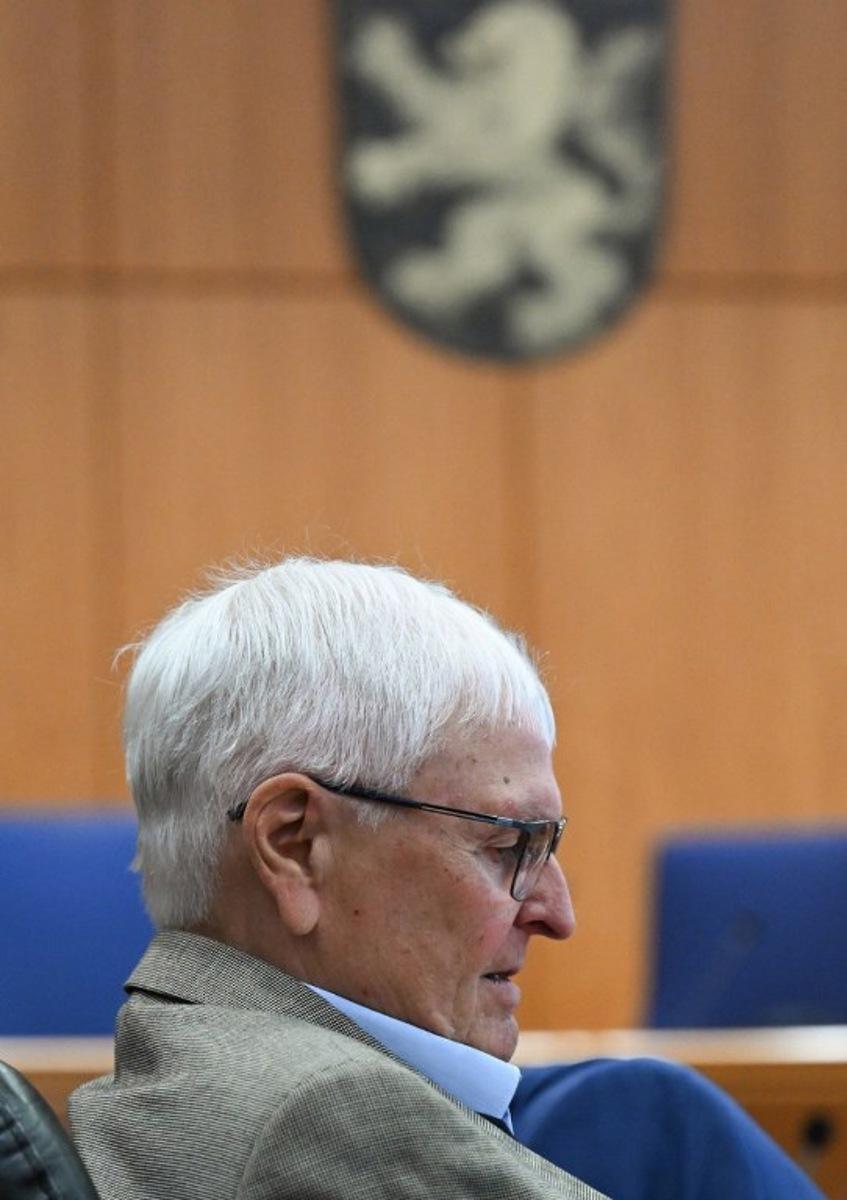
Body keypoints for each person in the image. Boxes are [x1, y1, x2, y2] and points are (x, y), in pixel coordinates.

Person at [70, 556, 825, 1200]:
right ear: (294, 845)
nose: (556, 914)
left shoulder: (182, 1059)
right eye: (504, 844)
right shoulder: (340, 1119)